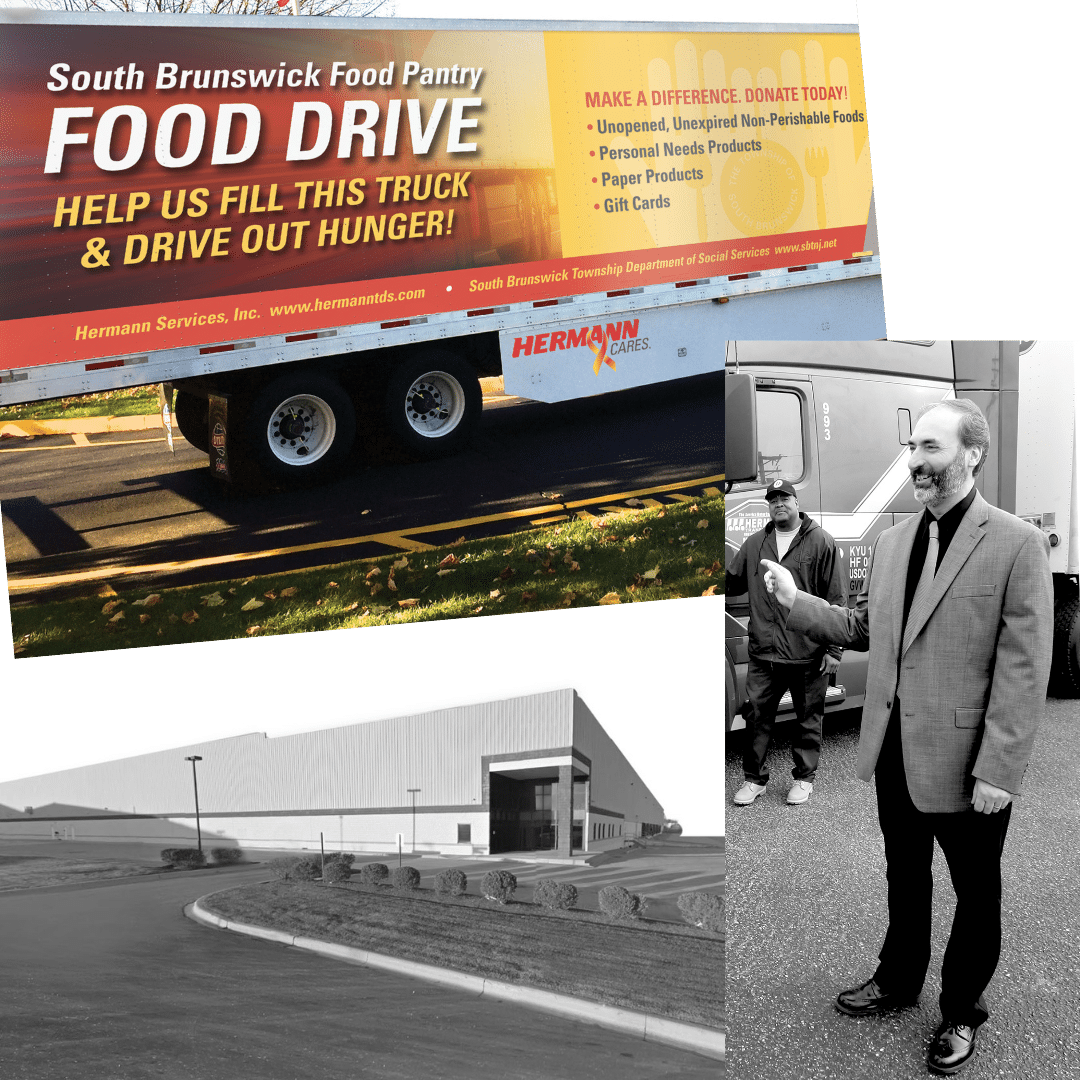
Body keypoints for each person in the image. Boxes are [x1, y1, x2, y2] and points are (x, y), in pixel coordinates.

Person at [761, 398, 1053, 1075]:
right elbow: (863, 627)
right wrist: (791, 601)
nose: (916, 461)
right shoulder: (894, 542)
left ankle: (960, 1012)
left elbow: (1023, 665)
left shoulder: (1015, 543)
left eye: (931, 447)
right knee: (905, 874)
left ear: (971, 454)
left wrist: (999, 770)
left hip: (967, 762)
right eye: (912, 448)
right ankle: (898, 981)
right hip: (894, 751)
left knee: (976, 895)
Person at [726, 477, 845, 807]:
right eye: (772, 499)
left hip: (807, 653)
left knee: (809, 719)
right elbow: (730, 583)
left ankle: (804, 779)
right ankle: (754, 780)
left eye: (785, 498)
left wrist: (834, 649)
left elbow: (835, 599)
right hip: (764, 654)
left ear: (796, 503)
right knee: (756, 718)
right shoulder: (754, 544)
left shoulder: (820, 542)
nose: (779, 503)